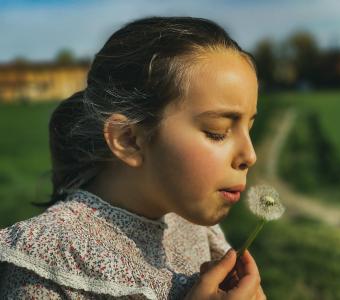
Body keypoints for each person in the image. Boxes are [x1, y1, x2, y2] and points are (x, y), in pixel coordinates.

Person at [0, 16, 266, 299]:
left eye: (249, 128)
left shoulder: (195, 228)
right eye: (218, 132)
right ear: (129, 140)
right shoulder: (45, 270)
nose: (250, 155)